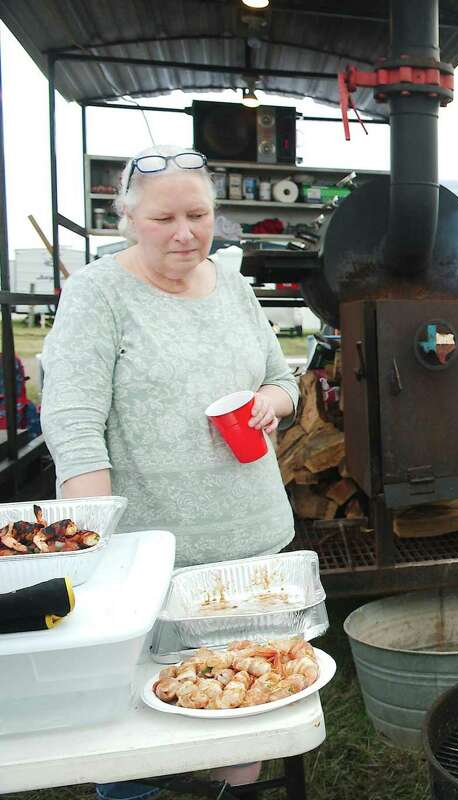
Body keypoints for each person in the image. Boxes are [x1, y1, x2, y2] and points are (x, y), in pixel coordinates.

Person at [40, 144, 299, 800]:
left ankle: (235, 788)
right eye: (164, 219)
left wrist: (271, 402)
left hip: (250, 546)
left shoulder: (233, 285)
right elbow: (73, 427)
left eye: (199, 214)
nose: (185, 233)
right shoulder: (97, 293)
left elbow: (278, 377)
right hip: (149, 560)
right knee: (132, 726)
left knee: (248, 699)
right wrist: (93, 552)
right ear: (125, 217)